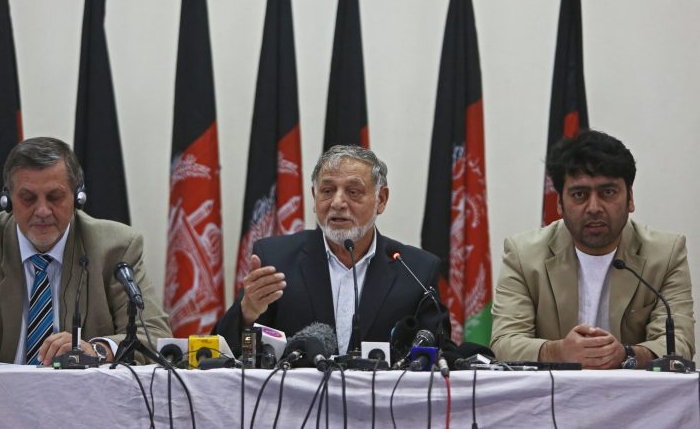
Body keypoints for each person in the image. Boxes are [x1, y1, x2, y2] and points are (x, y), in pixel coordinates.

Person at [0, 137, 171, 365]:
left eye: (55, 197)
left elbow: (154, 335)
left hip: (83, 394)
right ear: (8, 200)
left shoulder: (115, 249)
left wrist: (98, 350)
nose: (42, 211)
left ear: (78, 197)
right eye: (28, 198)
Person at [214, 144, 453, 359]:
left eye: (353, 192)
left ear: (381, 199)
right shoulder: (276, 259)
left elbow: (439, 353)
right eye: (327, 191)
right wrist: (247, 313)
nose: (337, 202)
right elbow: (222, 351)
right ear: (314, 196)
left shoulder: (416, 270)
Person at [491, 130, 695, 369]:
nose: (594, 207)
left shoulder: (666, 254)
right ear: (559, 203)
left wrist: (626, 355)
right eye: (580, 194)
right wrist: (558, 352)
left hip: (634, 391)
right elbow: (504, 343)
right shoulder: (523, 255)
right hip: (553, 391)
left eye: (608, 192)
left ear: (630, 198)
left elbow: (679, 343)